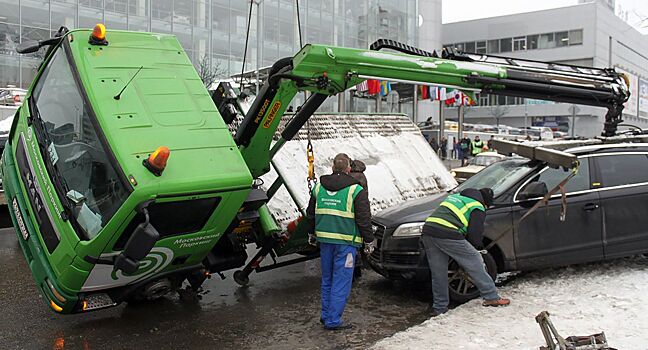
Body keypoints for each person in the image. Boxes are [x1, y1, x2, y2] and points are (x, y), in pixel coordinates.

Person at [306, 153, 374, 330]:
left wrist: (311, 233)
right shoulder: (356, 190)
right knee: (341, 281)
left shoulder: (319, 188)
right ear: (349, 169)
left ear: (332, 167)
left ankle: (326, 314)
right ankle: (333, 320)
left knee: (327, 279)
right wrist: (369, 241)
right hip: (346, 243)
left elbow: (310, 214)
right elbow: (363, 218)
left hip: (325, 241)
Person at [420, 188, 510, 317]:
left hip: (428, 231)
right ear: (486, 203)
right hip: (448, 232)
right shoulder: (477, 206)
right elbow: (474, 235)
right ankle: (491, 296)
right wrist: (476, 248)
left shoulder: (457, 197)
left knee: (438, 273)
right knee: (475, 260)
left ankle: (440, 307)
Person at [349, 159, 369, 280]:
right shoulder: (362, 175)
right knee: (359, 240)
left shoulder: (353, 177)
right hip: (362, 207)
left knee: (353, 241)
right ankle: (361, 268)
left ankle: (355, 270)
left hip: (354, 210)